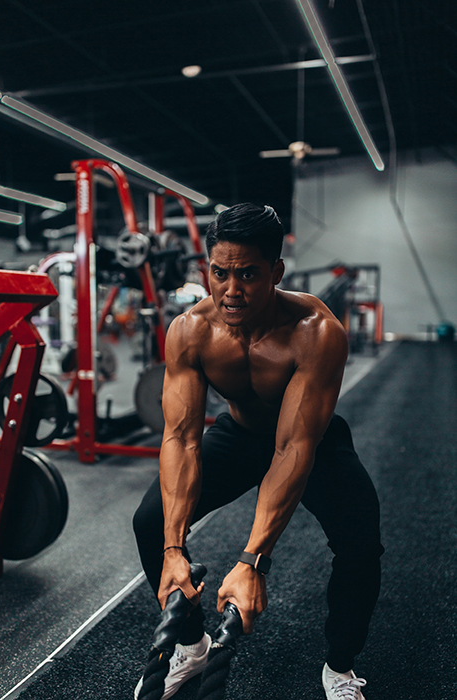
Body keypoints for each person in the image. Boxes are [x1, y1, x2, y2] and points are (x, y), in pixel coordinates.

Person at [133, 203, 384, 700]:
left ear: (276, 271)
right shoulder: (190, 331)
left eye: (247, 274)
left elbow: (294, 446)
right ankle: (193, 644)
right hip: (240, 432)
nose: (231, 290)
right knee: (152, 520)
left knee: (361, 546)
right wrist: (173, 548)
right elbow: (180, 438)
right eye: (219, 273)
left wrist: (252, 560)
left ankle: (339, 668)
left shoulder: (316, 332)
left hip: (312, 439)